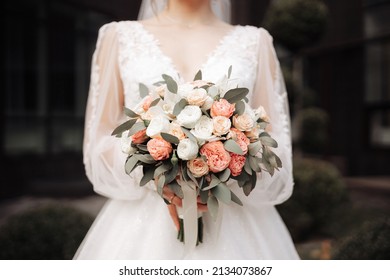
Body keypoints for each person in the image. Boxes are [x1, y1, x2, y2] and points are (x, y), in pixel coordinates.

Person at [74, 0, 300, 259]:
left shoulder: (256, 42)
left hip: (233, 216)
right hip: (142, 218)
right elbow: (100, 140)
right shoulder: (117, 37)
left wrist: (224, 169)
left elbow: (273, 140)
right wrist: (157, 175)